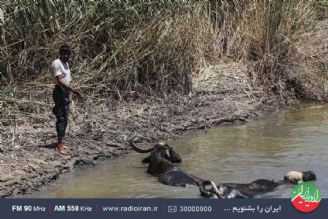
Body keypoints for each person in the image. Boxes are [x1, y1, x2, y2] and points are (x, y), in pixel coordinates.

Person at [51, 44, 81, 155]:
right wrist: (73, 90)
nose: (67, 55)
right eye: (64, 53)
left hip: (66, 91)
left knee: (65, 116)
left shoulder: (67, 64)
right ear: (60, 53)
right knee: (61, 118)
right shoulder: (56, 63)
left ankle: (60, 141)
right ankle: (59, 145)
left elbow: (68, 80)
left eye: (68, 54)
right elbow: (59, 81)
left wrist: (70, 94)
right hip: (59, 91)